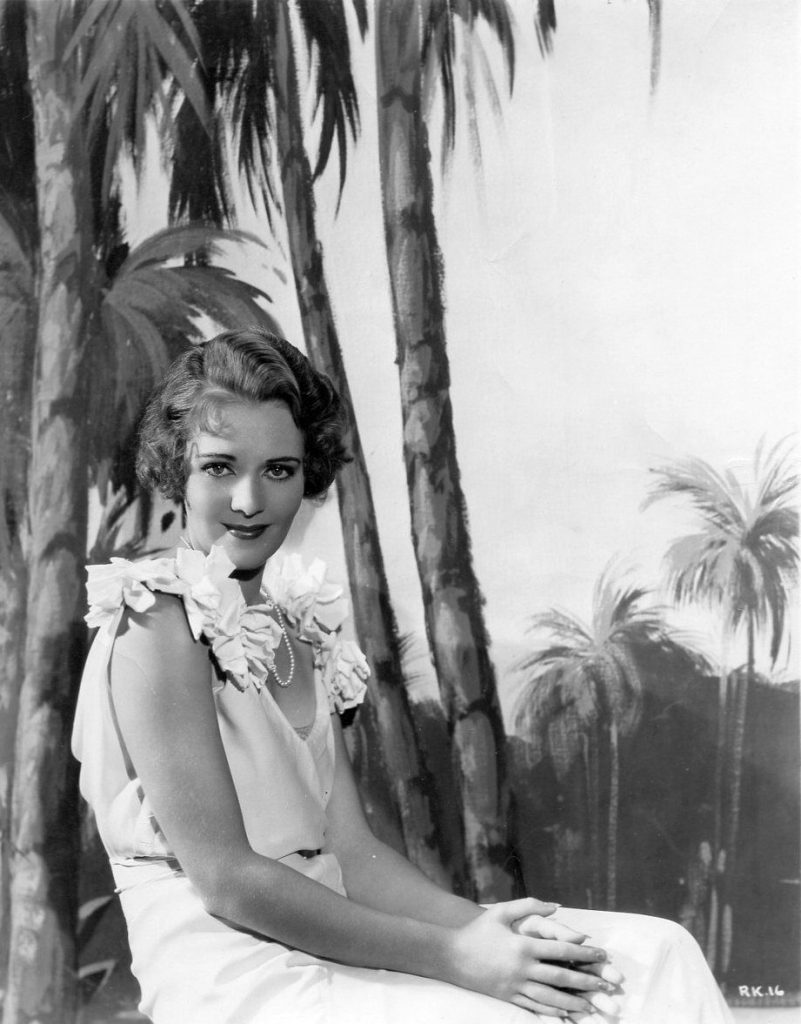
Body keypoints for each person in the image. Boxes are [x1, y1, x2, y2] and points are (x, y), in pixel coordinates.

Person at [73, 329, 733, 1024]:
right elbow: (227, 880)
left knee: (658, 954)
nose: (248, 499)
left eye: (278, 470)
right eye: (219, 467)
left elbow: (351, 854)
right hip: (237, 977)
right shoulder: (157, 619)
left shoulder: (300, 630)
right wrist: (455, 955)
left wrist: (484, 932)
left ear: (307, 477)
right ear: (175, 468)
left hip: (346, 942)